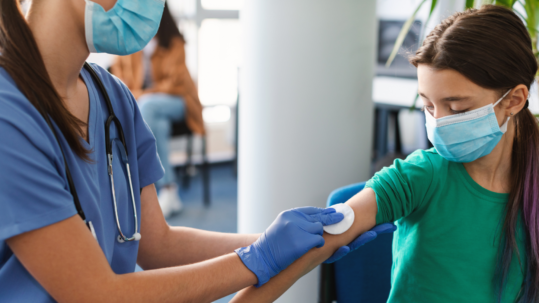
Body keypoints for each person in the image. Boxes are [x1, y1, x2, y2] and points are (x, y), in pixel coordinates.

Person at [0, 0, 392, 301]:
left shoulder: (113, 97)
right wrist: (257, 259)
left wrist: (282, 242)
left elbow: (158, 244)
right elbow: (96, 294)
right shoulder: (8, 114)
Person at [230, 5, 539, 303]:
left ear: (514, 100)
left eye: (457, 108)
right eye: (428, 107)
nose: (440, 123)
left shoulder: (533, 181)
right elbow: (319, 245)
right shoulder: (420, 175)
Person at [111, 3, 200, 216]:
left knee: (147, 107)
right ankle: (169, 189)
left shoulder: (174, 42)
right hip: (150, 109)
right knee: (156, 122)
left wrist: (143, 94)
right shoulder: (128, 42)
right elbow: (118, 81)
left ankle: (158, 187)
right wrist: (142, 95)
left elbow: (174, 84)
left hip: (179, 102)